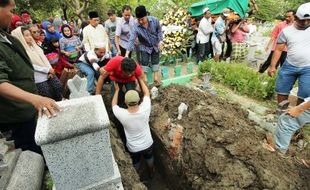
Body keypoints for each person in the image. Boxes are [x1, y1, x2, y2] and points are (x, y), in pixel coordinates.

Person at [0, 0, 60, 154]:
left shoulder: (8, 38)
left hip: (29, 107)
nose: (13, 16)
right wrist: (35, 99)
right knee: (32, 152)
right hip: (17, 112)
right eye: (11, 10)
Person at [268, 3, 310, 109]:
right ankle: (281, 112)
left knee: (305, 93)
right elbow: (278, 50)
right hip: (289, 65)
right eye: (302, 20)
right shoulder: (286, 31)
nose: (305, 23)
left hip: (308, 68)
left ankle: (296, 118)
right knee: (282, 90)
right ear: (295, 17)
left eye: (308, 20)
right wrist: (272, 66)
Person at [112, 78, 154, 177]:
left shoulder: (122, 114)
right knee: (149, 157)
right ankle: (151, 172)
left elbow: (113, 104)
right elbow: (147, 93)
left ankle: (137, 176)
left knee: (136, 161)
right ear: (139, 100)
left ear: (125, 102)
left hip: (133, 148)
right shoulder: (145, 108)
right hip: (148, 144)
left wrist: (117, 90)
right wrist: (140, 78)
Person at [12, 26, 63, 101]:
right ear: (19, 37)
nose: (30, 37)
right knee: (47, 95)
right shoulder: (20, 51)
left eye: (29, 35)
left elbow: (44, 58)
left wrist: (50, 69)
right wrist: (46, 70)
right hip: (38, 78)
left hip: (49, 73)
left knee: (58, 87)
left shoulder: (35, 46)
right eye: (26, 35)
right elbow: (30, 65)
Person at [125, 5, 163, 85]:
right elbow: (131, 39)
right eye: (139, 20)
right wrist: (127, 53)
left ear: (146, 15)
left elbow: (159, 31)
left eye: (142, 19)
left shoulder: (154, 20)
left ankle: (156, 78)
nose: (141, 21)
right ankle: (145, 79)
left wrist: (160, 41)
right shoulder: (136, 27)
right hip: (144, 46)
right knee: (144, 61)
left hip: (155, 45)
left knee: (155, 60)